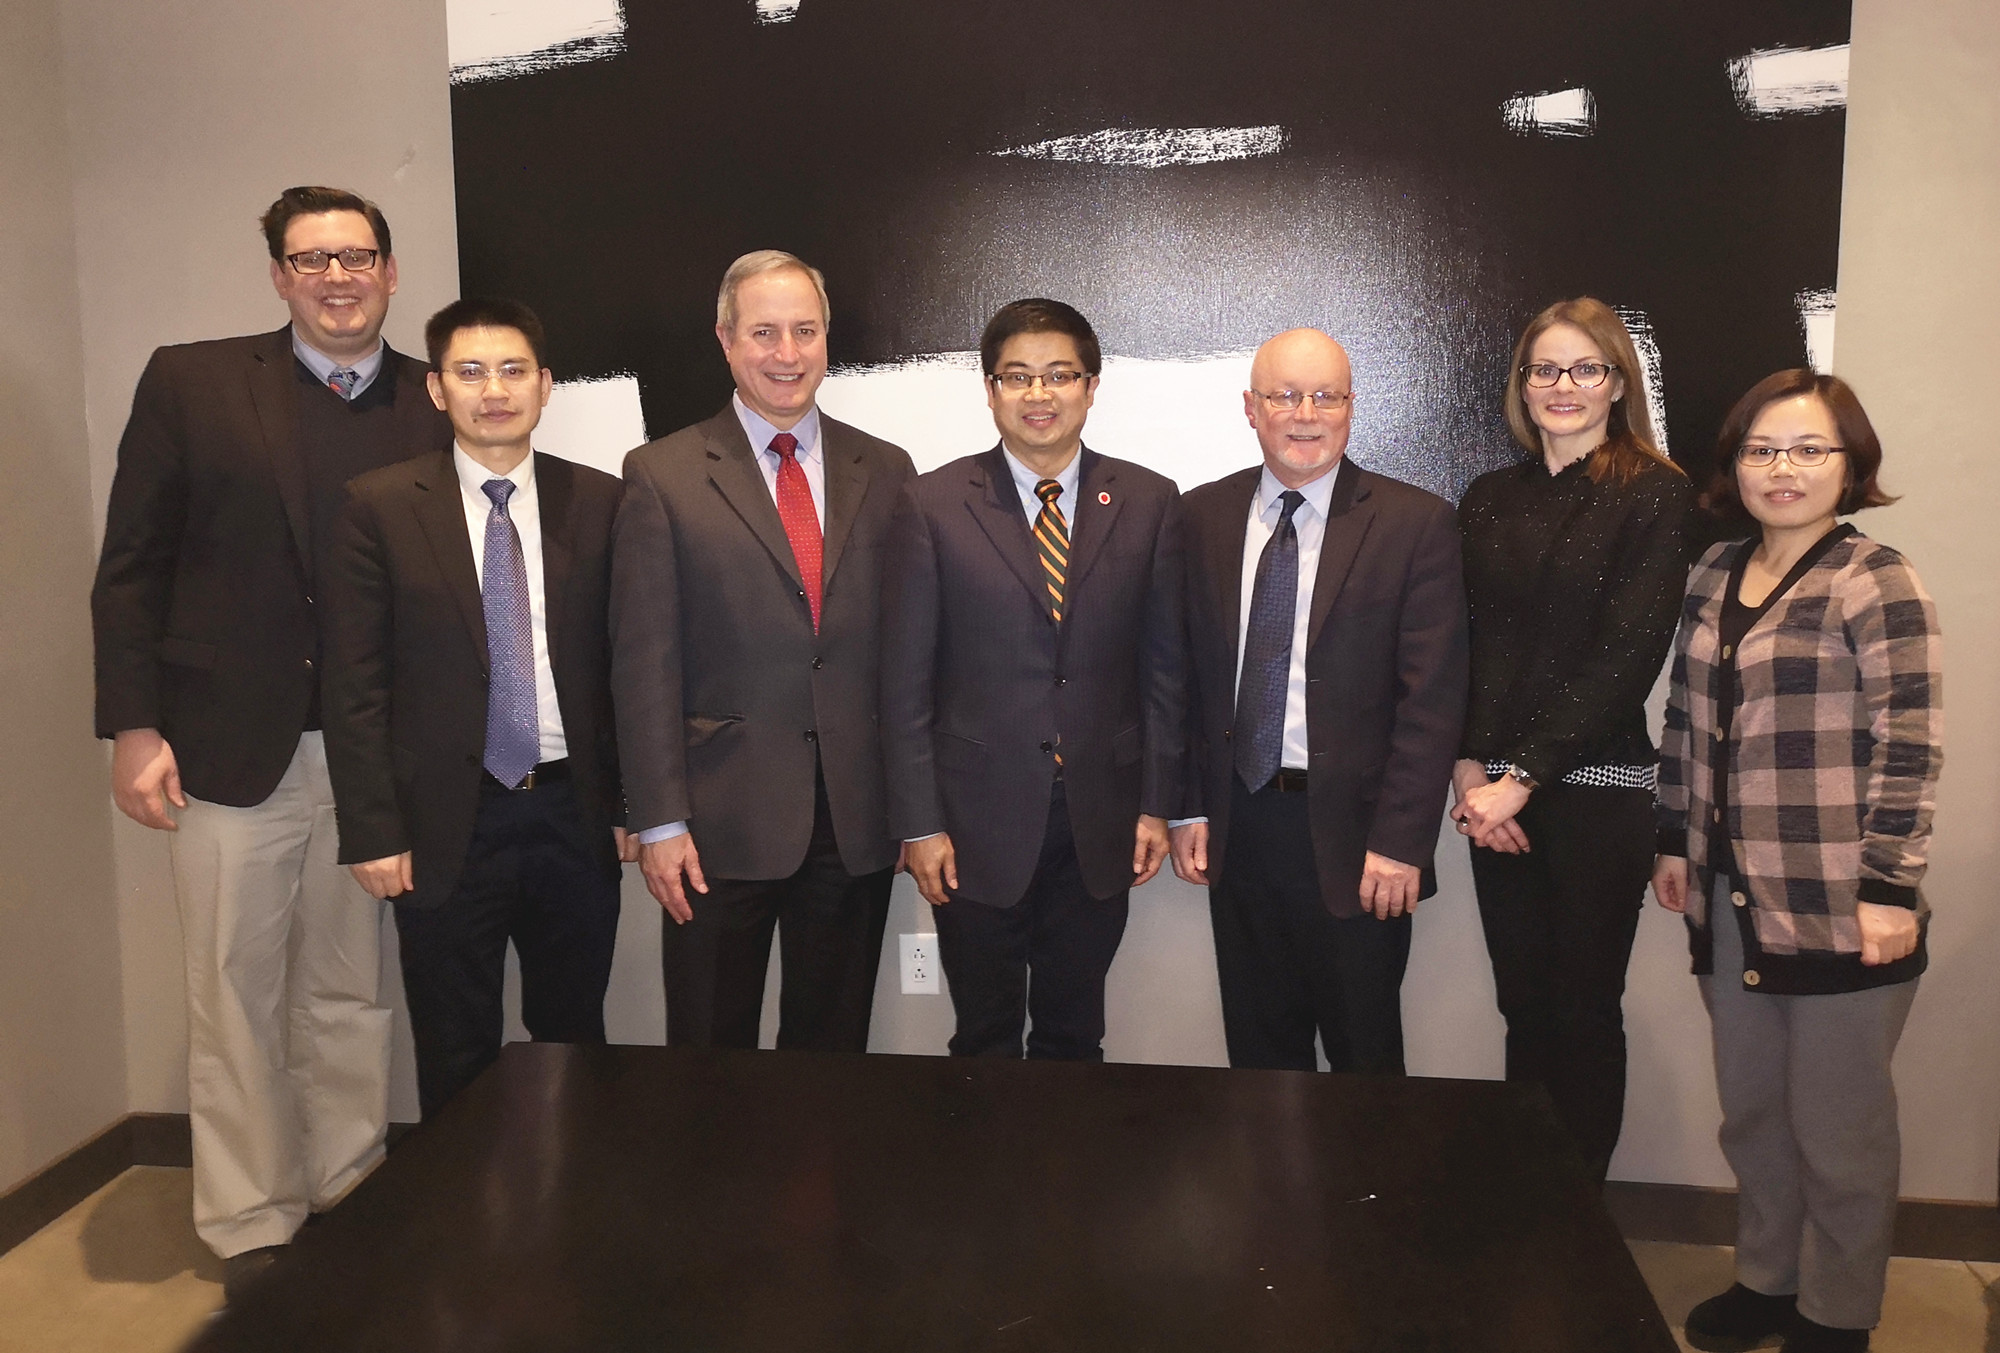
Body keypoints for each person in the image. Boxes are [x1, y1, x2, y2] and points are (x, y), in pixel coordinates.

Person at [90, 186, 450, 1295]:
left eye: (357, 256)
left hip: (371, 753)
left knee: (349, 991)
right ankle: (251, 1221)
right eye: (311, 260)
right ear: (279, 277)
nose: (337, 278)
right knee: (233, 990)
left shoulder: (434, 398)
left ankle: (346, 1189)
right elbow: (133, 564)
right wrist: (135, 724)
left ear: (391, 272)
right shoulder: (192, 382)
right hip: (222, 746)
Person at [1655, 371, 1940, 1353]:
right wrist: (1673, 838)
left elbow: (1910, 742)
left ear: (1848, 465)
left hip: (1840, 906)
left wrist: (1888, 886)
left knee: (1839, 1131)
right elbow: (1686, 718)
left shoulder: (1874, 578)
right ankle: (1767, 1281)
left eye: (1809, 449)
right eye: (1761, 449)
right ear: (1735, 465)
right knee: (1753, 1115)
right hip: (1730, 895)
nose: (1783, 468)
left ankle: (1836, 1314)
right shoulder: (1712, 571)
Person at [322, 297, 633, 1120]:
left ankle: (570, 1192)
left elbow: (626, 666)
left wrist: (628, 803)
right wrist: (374, 829)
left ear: (545, 385)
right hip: (444, 823)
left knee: (574, 1033)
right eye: (470, 372)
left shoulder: (601, 501)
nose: (494, 390)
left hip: (571, 813)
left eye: (512, 370)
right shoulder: (379, 506)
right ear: (437, 389)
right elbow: (356, 684)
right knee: (455, 1046)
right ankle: (463, 1203)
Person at [612, 250, 915, 1051]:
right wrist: (659, 819)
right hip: (716, 821)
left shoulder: (887, 470)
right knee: (711, 1053)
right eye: (764, 332)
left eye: (805, 331)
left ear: (827, 339)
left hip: (853, 817)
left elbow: (905, 655)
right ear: (725, 340)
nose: (787, 352)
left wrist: (911, 805)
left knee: (831, 1053)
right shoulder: (661, 474)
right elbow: (643, 664)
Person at [879, 299, 1184, 1060]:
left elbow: (1163, 673)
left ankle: (1068, 1147)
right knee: (983, 1035)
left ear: (1091, 386)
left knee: (1075, 1033)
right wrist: (918, 823)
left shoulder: (1149, 500)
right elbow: (905, 682)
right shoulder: (932, 504)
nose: (1038, 394)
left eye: (1059, 375)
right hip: (971, 823)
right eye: (1017, 377)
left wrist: (1157, 803)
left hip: (1100, 817)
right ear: (990, 390)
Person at [1170, 328, 1466, 1074]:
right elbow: (1181, 678)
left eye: (1326, 396)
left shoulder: (1415, 523)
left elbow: (1431, 701)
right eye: (1285, 396)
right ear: (1251, 408)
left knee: (1365, 1063)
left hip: (1360, 840)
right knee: (1259, 1061)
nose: (1306, 415)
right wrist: (1186, 807)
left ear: (1351, 406)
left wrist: (1402, 840)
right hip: (1240, 828)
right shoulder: (1201, 517)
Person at [1451, 297, 1693, 1184]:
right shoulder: (1489, 497)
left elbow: (1627, 656)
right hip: (1494, 801)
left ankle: (1579, 1209)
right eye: (1545, 368)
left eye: (1587, 368)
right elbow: (1468, 643)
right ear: (1523, 384)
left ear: (1618, 383)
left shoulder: (1655, 492)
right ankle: (1529, 1205)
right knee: (1523, 1009)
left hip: (1595, 794)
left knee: (1582, 1011)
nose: (1564, 385)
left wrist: (1521, 777)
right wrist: (1471, 770)